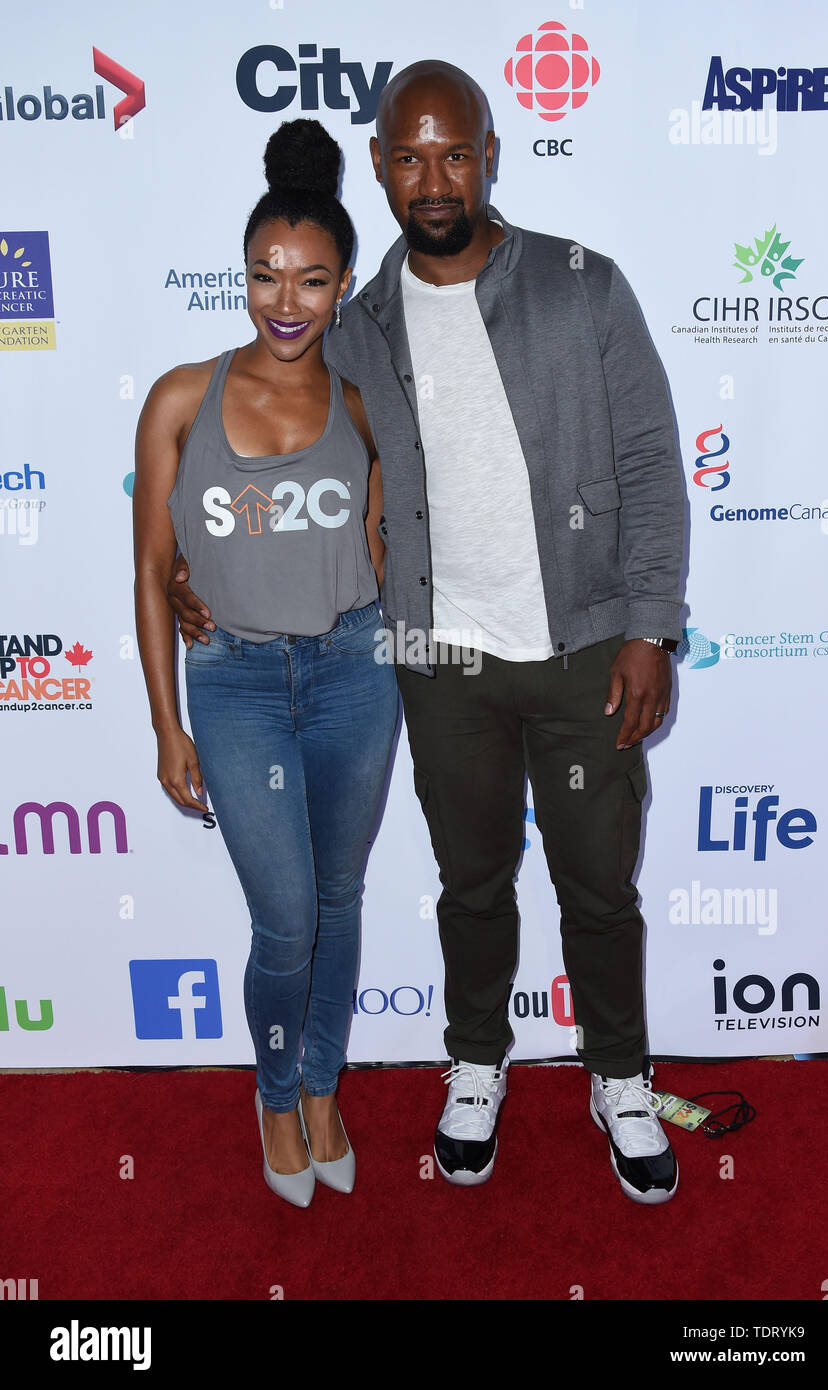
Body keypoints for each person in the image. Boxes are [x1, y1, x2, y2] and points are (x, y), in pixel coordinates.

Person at [168, 62, 686, 1205]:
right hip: (436, 657)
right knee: (471, 880)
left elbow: (651, 459)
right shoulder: (357, 330)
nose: (435, 176)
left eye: (455, 152)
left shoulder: (580, 284)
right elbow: (276, 459)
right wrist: (189, 581)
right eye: (411, 156)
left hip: (584, 647)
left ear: (491, 153)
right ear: (383, 171)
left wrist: (650, 625)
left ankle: (621, 1072)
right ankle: (477, 1062)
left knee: (598, 883)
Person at [133, 119, 399, 1209]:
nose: (285, 302)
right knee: (285, 917)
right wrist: (166, 724)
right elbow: (153, 570)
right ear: (241, 275)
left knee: (339, 898)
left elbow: (394, 542)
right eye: (264, 277)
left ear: (343, 286)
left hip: (353, 673)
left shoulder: (369, 398)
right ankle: (276, 1089)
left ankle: (327, 1084)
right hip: (236, 683)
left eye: (312, 281)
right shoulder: (180, 398)